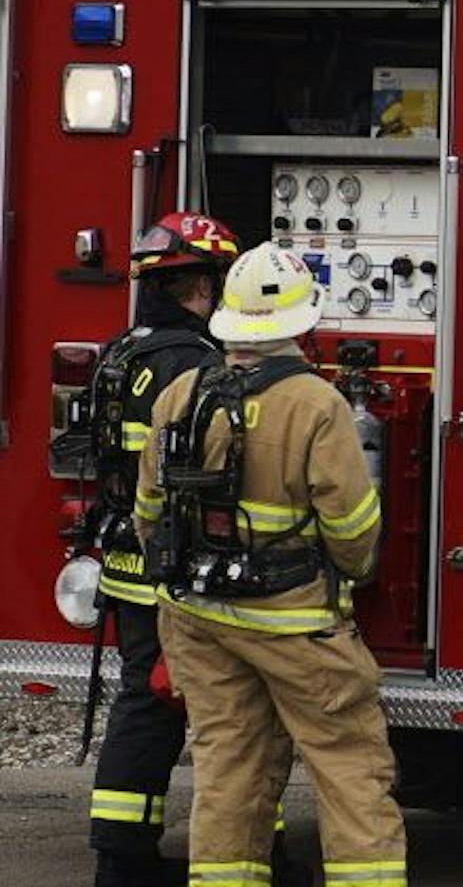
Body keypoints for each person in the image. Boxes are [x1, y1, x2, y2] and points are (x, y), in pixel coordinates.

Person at [137, 243, 405, 887]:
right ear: (301, 322)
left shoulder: (181, 393)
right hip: (294, 619)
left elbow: (150, 510)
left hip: (197, 618)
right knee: (350, 770)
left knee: (228, 769)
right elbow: (350, 524)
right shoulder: (317, 403)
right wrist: (352, 572)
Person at [80, 213, 255, 887]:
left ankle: (123, 850)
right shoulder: (194, 363)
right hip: (173, 566)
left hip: (127, 560)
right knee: (224, 709)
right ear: (199, 285)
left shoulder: (122, 351)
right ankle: (139, 862)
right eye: (214, 279)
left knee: (141, 701)